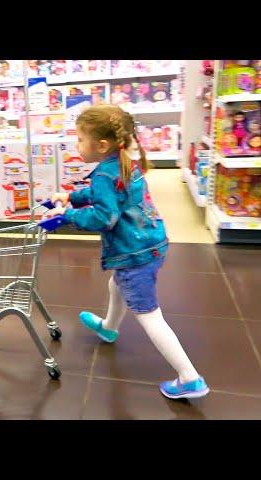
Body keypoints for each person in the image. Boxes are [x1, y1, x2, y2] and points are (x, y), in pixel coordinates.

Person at [46, 104, 209, 399]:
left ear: (102, 144)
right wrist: (71, 196)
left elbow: (104, 217)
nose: (76, 144)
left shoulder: (104, 175)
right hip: (152, 241)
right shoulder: (123, 162)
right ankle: (109, 327)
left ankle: (190, 377)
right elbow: (106, 196)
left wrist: (68, 216)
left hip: (133, 252)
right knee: (116, 284)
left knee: (149, 315)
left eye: (80, 139)